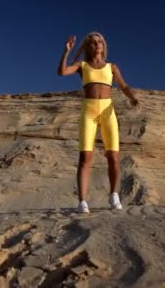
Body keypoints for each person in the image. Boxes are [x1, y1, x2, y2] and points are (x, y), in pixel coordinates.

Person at [57, 31, 140, 213]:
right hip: (89, 110)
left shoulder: (111, 67)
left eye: (99, 42)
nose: (96, 45)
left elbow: (123, 85)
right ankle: (82, 201)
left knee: (113, 156)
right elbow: (62, 72)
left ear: (103, 46)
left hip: (107, 110)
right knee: (85, 157)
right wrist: (67, 51)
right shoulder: (82, 65)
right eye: (93, 42)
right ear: (88, 46)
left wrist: (132, 97)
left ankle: (114, 195)